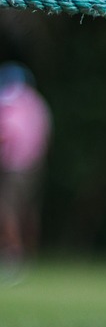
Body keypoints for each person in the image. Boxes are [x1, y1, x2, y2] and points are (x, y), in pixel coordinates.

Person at [0, 63, 52, 268]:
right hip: (36, 166)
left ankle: (14, 257)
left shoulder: (11, 103)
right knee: (28, 211)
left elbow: (7, 134)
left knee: (7, 210)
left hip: (14, 165)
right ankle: (29, 255)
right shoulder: (38, 104)